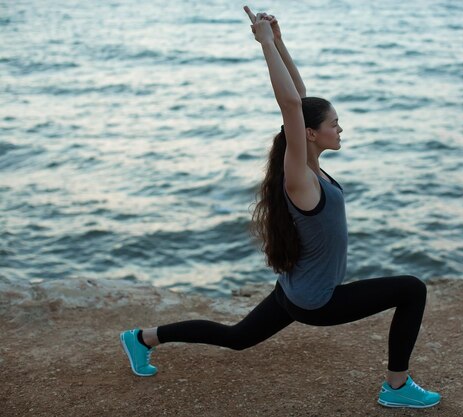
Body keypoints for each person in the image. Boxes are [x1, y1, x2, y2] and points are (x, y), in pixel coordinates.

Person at [119, 6, 441, 409]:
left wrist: (281, 42)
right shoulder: (299, 179)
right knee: (412, 289)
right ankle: (396, 388)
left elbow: (299, 101)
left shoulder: (309, 165)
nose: (340, 128)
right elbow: (291, 106)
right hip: (315, 303)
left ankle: (142, 337)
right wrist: (265, 44)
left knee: (237, 338)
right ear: (310, 133)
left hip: (293, 291)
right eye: (334, 123)